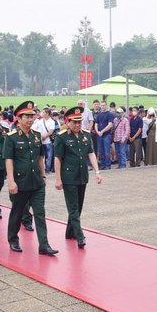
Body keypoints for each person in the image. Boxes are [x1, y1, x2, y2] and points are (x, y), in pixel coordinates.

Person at [4, 101, 58, 255]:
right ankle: (13, 239)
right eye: (26, 116)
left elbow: (40, 157)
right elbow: (9, 160)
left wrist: (43, 175)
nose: (30, 119)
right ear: (18, 118)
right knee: (17, 212)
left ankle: (44, 245)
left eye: (32, 116)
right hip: (20, 183)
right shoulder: (11, 137)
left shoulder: (36, 135)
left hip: (37, 182)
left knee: (40, 213)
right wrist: (11, 181)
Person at [54, 106, 102, 248]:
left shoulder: (86, 135)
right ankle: (79, 235)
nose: (77, 125)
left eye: (79, 122)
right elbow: (58, 158)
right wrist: (58, 179)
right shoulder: (61, 137)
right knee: (73, 207)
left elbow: (91, 154)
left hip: (82, 176)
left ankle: (70, 232)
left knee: (79, 206)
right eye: (74, 122)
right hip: (68, 177)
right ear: (68, 122)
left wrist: (97, 172)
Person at [32, 107, 57, 175]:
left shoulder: (52, 121)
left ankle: (47, 169)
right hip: (41, 141)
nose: (42, 113)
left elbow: (51, 131)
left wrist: (45, 136)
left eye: (43, 112)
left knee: (49, 156)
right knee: (41, 156)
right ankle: (41, 169)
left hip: (48, 141)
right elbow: (35, 128)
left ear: (47, 113)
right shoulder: (40, 121)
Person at [95, 101, 116, 170]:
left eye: (104, 105)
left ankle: (107, 164)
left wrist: (102, 131)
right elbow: (96, 124)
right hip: (99, 135)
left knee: (107, 150)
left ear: (106, 106)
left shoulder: (109, 114)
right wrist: (97, 131)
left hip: (106, 135)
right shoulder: (99, 114)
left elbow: (110, 125)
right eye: (101, 105)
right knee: (101, 150)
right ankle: (103, 164)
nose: (102, 106)